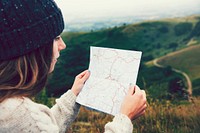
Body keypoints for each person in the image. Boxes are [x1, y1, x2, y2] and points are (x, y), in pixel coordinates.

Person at [0, 0, 147, 133]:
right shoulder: (21, 113)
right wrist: (124, 119)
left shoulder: (10, 109)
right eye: (56, 38)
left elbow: (39, 128)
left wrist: (73, 96)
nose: (63, 45)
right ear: (33, 47)